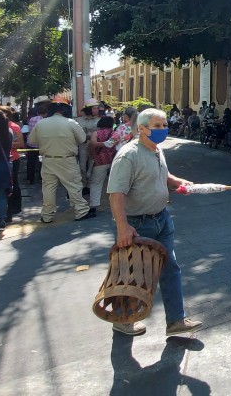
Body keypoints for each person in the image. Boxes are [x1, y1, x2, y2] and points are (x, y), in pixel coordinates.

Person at [107, 108, 203, 337]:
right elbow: (116, 194)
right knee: (133, 274)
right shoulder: (128, 155)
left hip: (161, 219)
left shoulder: (157, 150)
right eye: (157, 126)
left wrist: (181, 183)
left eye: (164, 125)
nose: (162, 130)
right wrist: (122, 226)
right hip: (137, 224)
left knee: (170, 268)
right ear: (141, 128)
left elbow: (164, 177)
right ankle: (123, 319)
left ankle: (176, 320)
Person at [27, 98, 94, 223]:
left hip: (47, 160)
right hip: (67, 160)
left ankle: (47, 215)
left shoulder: (41, 123)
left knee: (48, 188)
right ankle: (81, 211)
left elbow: (31, 141)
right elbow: (83, 139)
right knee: (74, 186)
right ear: (65, 109)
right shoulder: (71, 123)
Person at [0, 107, 25, 222]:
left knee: (13, 182)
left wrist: (5, 143)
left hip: (12, 159)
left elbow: (21, 143)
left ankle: (15, 207)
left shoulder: (13, 126)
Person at [88, 116, 117, 214]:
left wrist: (93, 156)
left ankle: (93, 206)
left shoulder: (96, 133)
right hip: (114, 160)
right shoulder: (115, 133)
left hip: (100, 161)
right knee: (115, 184)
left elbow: (92, 144)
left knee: (96, 183)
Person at [76, 99, 101, 195]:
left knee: (92, 166)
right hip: (82, 146)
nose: (97, 110)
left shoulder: (99, 120)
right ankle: (83, 184)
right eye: (94, 108)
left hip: (95, 146)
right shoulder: (78, 120)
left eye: (97, 108)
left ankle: (89, 185)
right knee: (82, 166)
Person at [25, 101, 48, 183]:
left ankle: (30, 178)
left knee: (31, 161)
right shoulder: (45, 121)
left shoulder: (32, 119)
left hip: (31, 143)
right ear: (46, 113)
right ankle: (41, 177)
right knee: (42, 161)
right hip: (41, 144)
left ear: (38, 112)